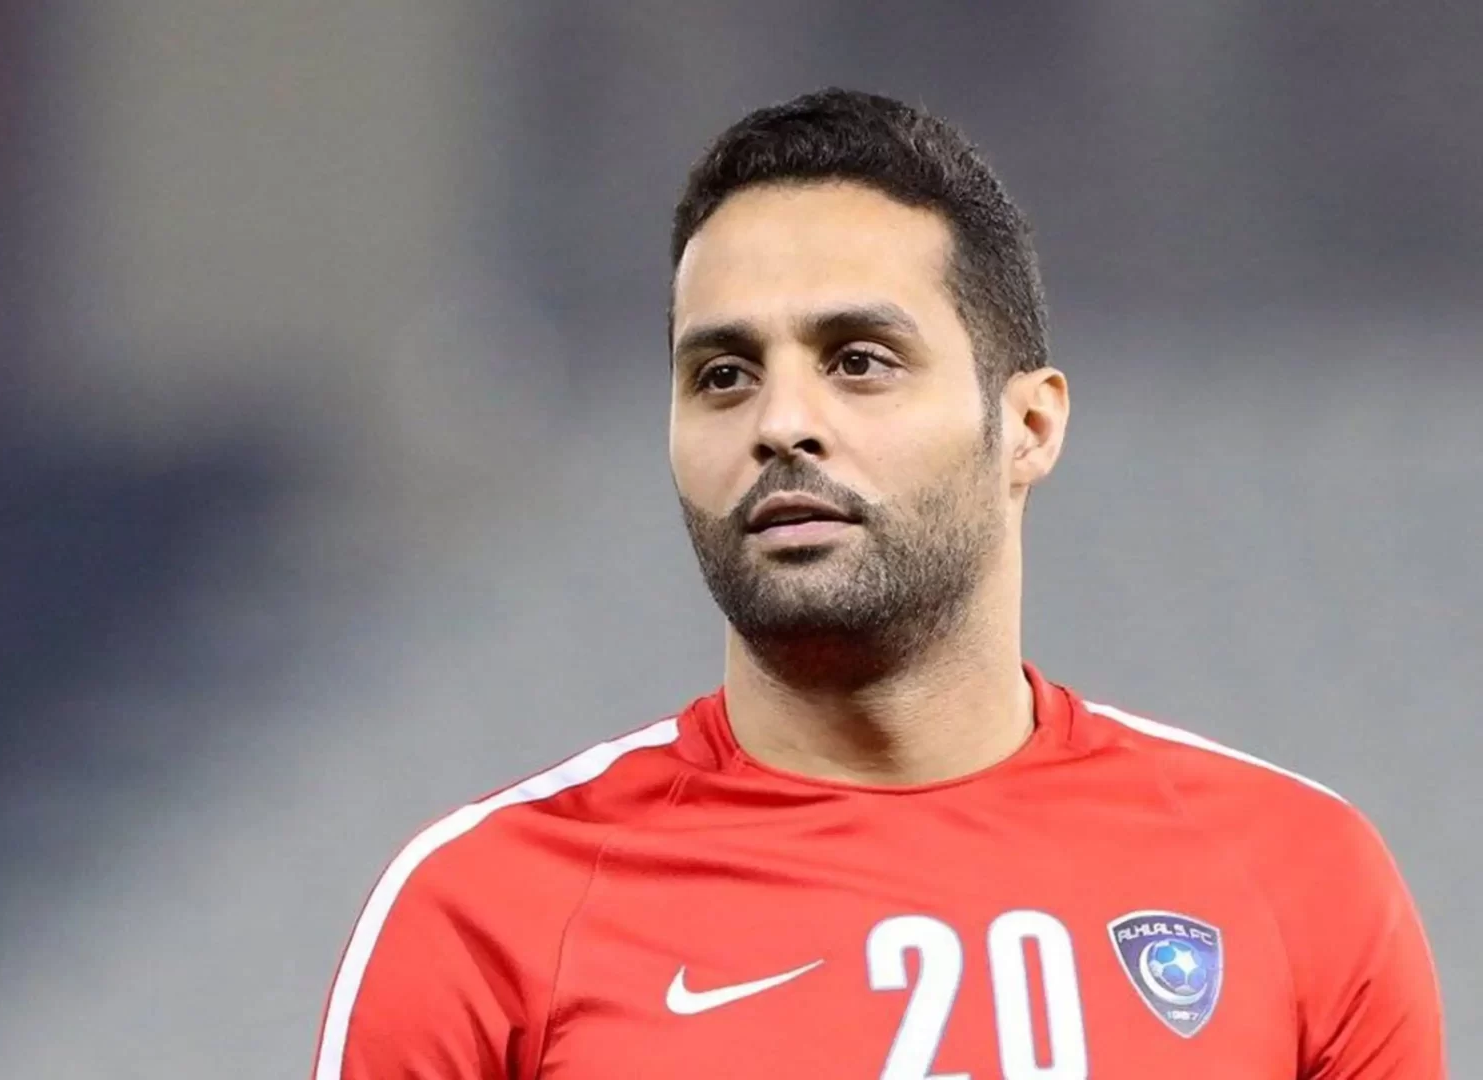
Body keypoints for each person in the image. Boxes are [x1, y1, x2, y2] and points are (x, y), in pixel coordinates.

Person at [310, 88, 1444, 1079]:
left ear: (1029, 424)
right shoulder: (487, 912)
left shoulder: (1295, 878)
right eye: (722, 375)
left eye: (859, 361)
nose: (780, 422)